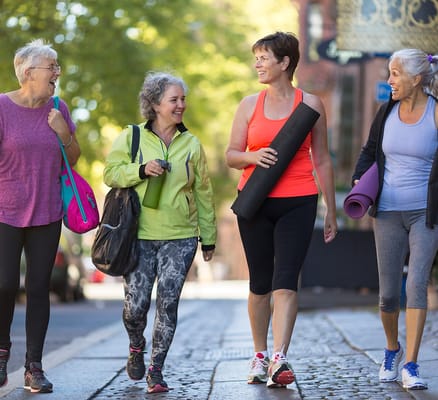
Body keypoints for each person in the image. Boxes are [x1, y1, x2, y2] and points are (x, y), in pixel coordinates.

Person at [225, 31, 337, 388]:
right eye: (256, 57)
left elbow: (321, 158)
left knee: (286, 280)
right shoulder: (248, 105)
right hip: (255, 202)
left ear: (285, 62)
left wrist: (331, 210)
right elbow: (230, 155)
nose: (257, 63)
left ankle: (279, 358)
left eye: (264, 57)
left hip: (300, 201)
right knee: (260, 284)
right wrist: (252, 156)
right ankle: (259, 354)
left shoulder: (311, 104)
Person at [103, 71, 217, 394]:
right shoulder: (132, 138)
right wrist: (141, 170)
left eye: (183, 99)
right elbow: (110, 173)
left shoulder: (192, 144)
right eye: (174, 100)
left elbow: (204, 193)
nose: (181, 105)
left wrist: (208, 237)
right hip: (138, 235)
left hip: (180, 237)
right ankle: (136, 344)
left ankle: (156, 369)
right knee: (135, 306)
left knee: (168, 304)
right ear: (154, 104)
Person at [351, 49, 438, 390]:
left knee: (416, 283)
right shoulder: (386, 111)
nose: (390, 80)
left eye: (396, 73)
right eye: (390, 72)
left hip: (425, 214)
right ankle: (392, 349)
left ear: (417, 79)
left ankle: (412, 364)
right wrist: (360, 178)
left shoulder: (435, 114)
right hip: (386, 212)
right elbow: (370, 150)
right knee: (388, 294)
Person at [0, 39, 80, 393]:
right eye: (52, 67)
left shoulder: (59, 108)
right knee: (3, 284)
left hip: (47, 212)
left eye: (57, 67)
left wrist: (64, 133)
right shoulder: (2, 107)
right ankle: (2, 355)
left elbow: (74, 158)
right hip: (5, 211)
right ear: (28, 72)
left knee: (37, 288)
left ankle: (34, 366)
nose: (57, 73)